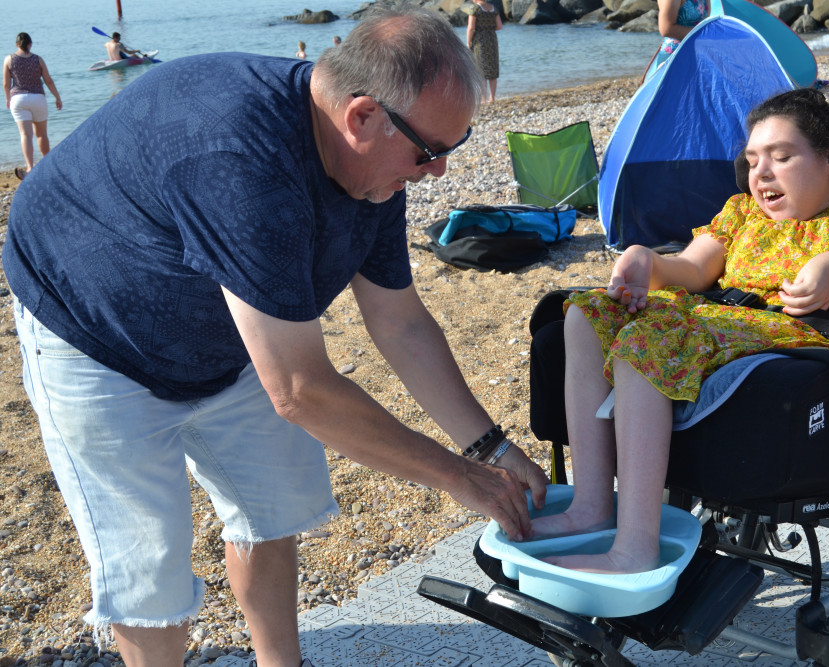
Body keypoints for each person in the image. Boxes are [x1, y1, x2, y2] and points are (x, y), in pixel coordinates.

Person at [3, 4, 547, 665]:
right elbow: (298, 389)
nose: (438, 172)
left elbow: (400, 321)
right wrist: (458, 476)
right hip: (92, 328)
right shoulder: (241, 157)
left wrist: (488, 449)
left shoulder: (376, 165)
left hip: (228, 337)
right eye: (431, 151)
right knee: (149, 569)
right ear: (362, 115)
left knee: (270, 507)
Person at [531, 75, 829, 575]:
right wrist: (645, 262)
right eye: (751, 160)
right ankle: (590, 508)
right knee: (587, 313)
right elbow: (696, 269)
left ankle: (636, 548)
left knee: (647, 339)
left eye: (781, 157)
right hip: (725, 322)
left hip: (803, 340)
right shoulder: (744, 213)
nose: (760, 174)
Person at [3, 32, 61, 180]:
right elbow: (48, 80)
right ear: (30, 44)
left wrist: (7, 99)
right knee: (41, 134)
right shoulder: (38, 59)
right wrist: (57, 97)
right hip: (38, 98)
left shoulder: (9, 59)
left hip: (18, 99)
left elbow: (6, 83)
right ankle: (47, 166)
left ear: (17, 44)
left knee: (25, 135)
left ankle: (29, 168)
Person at [642, 0, 709, 82]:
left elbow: (705, 22)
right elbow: (666, 29)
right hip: (675, 55)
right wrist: (703, 34)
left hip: (697, 55)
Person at [466, 0, 502, 103]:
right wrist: (488, 28)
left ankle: (483, 99)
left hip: (479, 42)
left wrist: (468, 43)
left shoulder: (474, 9)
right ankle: (492, 98)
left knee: (481, 70)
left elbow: (471, 28)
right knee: (492, 69)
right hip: (492, 41)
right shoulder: (493, 8)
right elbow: (499, 26)